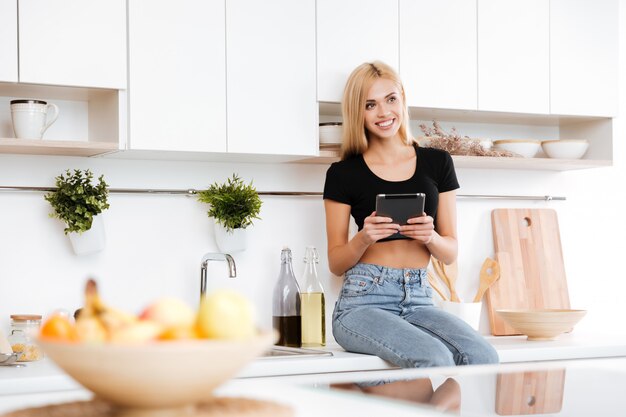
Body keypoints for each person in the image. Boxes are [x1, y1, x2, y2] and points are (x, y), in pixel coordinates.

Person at [323, 61, 498, 368]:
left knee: (483, 356)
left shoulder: (438, 162)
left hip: (419, 296)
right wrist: (364, 238)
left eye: (391, 99)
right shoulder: (342, 173)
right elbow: (336, 263)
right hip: (362, 302)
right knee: (434, 357)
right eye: (370, 105)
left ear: (402, 98)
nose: (384, 112)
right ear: (357, 112)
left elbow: (450, 253)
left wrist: (430, 237)